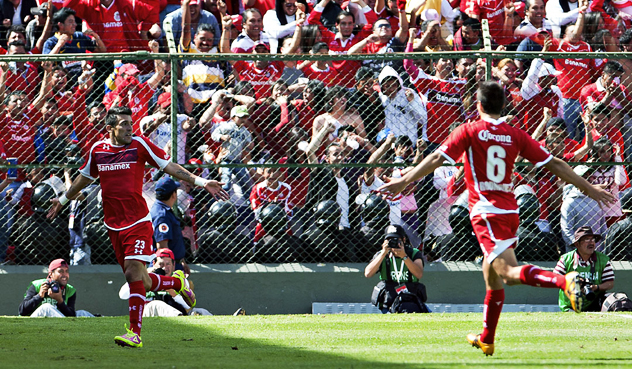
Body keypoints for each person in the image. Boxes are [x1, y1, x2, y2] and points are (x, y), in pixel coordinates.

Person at [378, 81, 615, 356]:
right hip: (509, 210)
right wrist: (588, 188)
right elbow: (555, 163)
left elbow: (435, 158)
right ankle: (487, 339)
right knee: (492, 277)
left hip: (486, 212)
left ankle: (565, 282)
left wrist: (404, 179)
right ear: (503, 106)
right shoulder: (515, 134)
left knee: (508, 274)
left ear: (477, 105)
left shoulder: (468, 130)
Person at [46, 106, 229, 348]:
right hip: (113, 225)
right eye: (123, 124)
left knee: (133, 274)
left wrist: (202, 181)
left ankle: (135, 332)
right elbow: (83, 177)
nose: (129, 128)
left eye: (130, 123)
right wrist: (62, 200)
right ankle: (176, 283)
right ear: (110, 127)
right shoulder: (98, 150)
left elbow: (169, 166)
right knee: (142, 280)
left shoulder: (139, 145)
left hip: (138, 222)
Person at [364, 224, 426, 313]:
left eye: (397, 240)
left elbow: (419, 274)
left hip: (410, 300)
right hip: (388, 300)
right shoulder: (381, 255)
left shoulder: (413, 253)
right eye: (389, 240)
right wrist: (383, 254)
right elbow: (368, 273)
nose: (393, 243)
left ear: (404, 240)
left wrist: (404, 257)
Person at [554, 226, 615, 312]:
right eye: (586, 239)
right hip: (570, 306)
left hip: (595, 305)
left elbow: (610, 283)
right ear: (577, 244)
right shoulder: (566, 259)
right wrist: (574, 283)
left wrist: (596, 287)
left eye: (593, 239)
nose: (591, 242)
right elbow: (555, 279)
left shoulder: (603, 260)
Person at [18, 258, 94, 317]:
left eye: (67, 271)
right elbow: (22, 311)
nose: (65, 275)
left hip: (57, 322)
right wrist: (39, 296)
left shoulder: (70, 290)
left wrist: (60, 301)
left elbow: (71, 316)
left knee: (82, 313)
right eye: (60, 271)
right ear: (51, 274)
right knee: (46, 307)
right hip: (34, 322)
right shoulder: (37, 285)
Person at [150, 177, 189, 274]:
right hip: (167, 266)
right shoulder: (162, 215)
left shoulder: (162, 210)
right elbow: (162, 247)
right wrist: (168, 271)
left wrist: (181, 261)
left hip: (173, 264)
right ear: (173, 195)